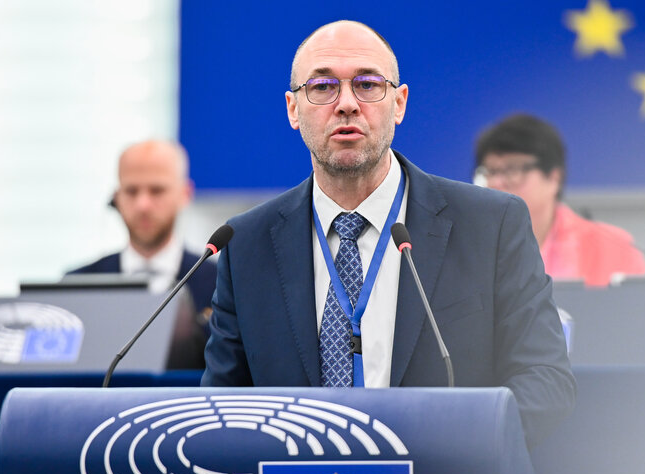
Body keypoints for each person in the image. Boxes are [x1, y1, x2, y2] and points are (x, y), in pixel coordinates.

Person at [201, 20, 575, 449]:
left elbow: (546, 381)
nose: (346, 104)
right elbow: (221, 405)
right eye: (322, 87)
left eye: (367, 85)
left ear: (399, 103)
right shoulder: (246, 244)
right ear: (292, 108)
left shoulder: (491, 224)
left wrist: (458, 445)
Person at [68, 140, 217, 366]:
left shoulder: (222, 285)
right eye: (131, 191)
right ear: (116, 197)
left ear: (184, 194)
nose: (143, 205)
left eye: (156, 190)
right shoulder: (76, 286)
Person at [474, 114, 645, 287]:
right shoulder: (466, 246)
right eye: (490, 171)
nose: (495, 182)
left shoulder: (612, 248)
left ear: (554, 178)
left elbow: (639, 311)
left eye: (512, 170)